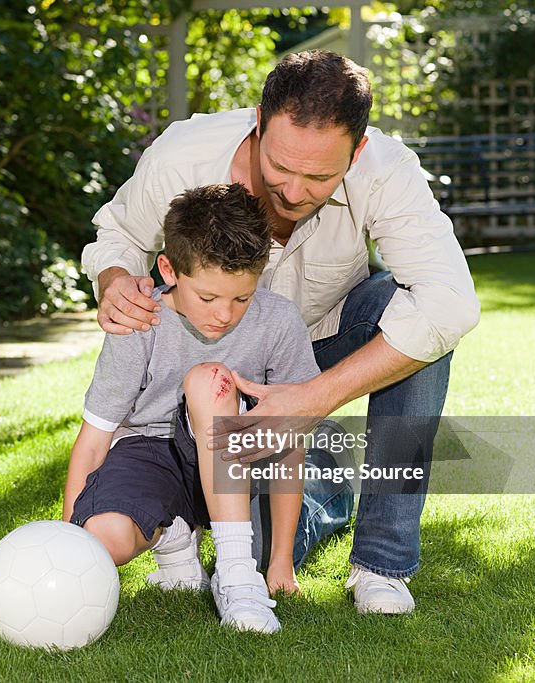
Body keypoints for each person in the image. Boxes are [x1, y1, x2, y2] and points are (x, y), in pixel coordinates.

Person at [81, 50, 481, 615]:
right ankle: (321, 482)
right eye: (280, 167)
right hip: (199, 365)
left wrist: (310, 399)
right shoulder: (183, 154)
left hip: (315, 350)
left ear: (357, 151)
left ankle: (381, 565)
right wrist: (116, 278)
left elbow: (451, 304)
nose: (293, 192)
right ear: (259, 126)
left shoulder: (387, 170)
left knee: (421, 328)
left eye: (319, 176)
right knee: (248, 547)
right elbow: (118, 234)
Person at [62, 183, 353, 633]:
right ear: (169, 269)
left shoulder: (278, 321)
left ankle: (239, 577)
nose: (225, 315)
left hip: (242, 462)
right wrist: (67, 548)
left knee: (209, 379)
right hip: (151, 453)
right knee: (102, 539)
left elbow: (290, 444)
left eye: (242, 297)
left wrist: (279, 564)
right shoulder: (139, 320)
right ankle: (176, 538)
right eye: (209, 298)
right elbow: (94, 440)